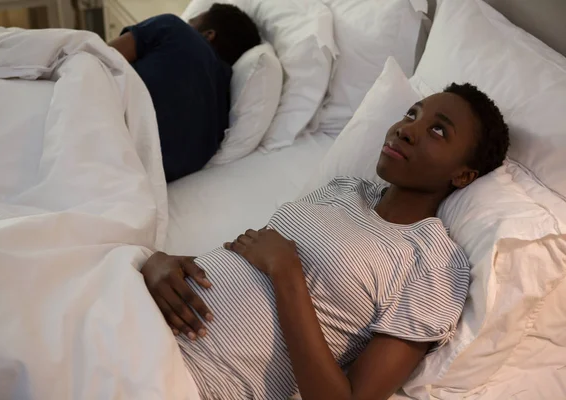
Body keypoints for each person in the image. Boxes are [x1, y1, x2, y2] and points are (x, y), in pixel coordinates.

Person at [141, 83, 510, 399]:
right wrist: (158, 264)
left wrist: (287, 272)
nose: (406, 130)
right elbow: (245, 260)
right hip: (141, 313)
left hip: (191, 380)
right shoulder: (344, 189)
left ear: (463, 175)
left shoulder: (434, 267)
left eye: (438, 131)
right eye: (412, 114)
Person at [109, 5, 261, 182]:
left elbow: (101, 55)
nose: (188, 23)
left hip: (92, 127)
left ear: (209, 34)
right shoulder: (221, 120)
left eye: (193, 21)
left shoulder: (175, 28)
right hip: (124, 180)